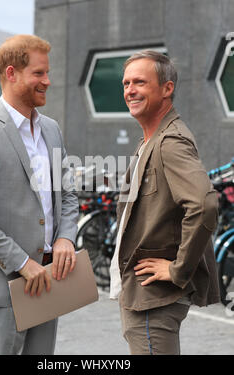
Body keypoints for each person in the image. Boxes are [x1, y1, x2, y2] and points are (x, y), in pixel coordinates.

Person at [0, 34, 79, 355]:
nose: (48, 81)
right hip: (1, 286)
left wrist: (66, 237)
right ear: (11, 73)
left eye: (47, 73)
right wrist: (22, 262)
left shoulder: (51, 129)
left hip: (48, 279)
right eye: (39, 73)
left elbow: (66, 194)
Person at [110, 50, 220, 355]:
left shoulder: (170, 141)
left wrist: (178, 269)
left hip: (154, 300)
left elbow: (204, 205)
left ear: (167, 89)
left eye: (140, 82)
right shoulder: (150, 140)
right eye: (126, 83)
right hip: (143, 297)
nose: (130, 90)